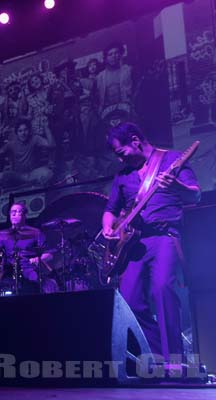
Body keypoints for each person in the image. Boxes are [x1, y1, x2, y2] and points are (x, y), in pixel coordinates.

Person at [102, 122, 200, 371]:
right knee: (129, 301)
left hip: (164, 236)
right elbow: (111, 210)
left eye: (120, 151)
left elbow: (194, 195)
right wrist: (108, 228)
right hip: (133, 243)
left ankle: (175, 361)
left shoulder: (172, 159)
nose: (119, 157)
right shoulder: (123, 176)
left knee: (162, 290)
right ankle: (159, 355)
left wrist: (175, 186)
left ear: (135, 140)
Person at [0, 202, 53, 294]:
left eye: (18, 211)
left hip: (29, 268)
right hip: (9, 271)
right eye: (12, 212)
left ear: (25, 215)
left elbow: (49, 254)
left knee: (34, 284)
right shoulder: (3, 236)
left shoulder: (35, 233)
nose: (14, 214)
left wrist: (38, 259)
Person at [0, 119, 55, 192]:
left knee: (48, 173)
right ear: (16, 133)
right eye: (20, 131)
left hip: (32, 174)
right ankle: (25, 188)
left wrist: (46, 127)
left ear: (29, 131)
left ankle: (31, 188)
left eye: (25, 130)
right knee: (0, 177)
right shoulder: (11, 144)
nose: (23, 133)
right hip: (18, 176)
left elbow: (51, 145)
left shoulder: (35, 139)